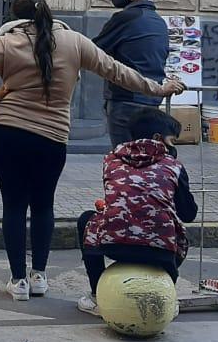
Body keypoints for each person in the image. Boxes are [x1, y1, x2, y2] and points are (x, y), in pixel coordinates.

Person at [0, 0, 183, 301]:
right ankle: (39, 275)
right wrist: (158, 87)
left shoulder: (6, 41)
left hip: (4, 130)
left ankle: (18, 281)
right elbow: (116, 71)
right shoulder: (74, 41)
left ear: (17, 17)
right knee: (43, 203)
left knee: (13, 204)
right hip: (51, 135)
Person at [76, 108, 197, 315]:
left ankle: (97, 295)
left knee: (86, 219)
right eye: (172, 141)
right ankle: (168, 293)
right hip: (161, 252)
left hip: (113, 245)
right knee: (175, 225)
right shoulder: (174, 165)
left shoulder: (110, 160)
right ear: (158, 138)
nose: (173, 147)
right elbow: (188, 214)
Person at [93, 0, 169, 146]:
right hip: (152, 100)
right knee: (145, 157)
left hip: (126, 100)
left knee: (125, 159)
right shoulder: (159, 21)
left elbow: (93, 49)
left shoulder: (126, 17)